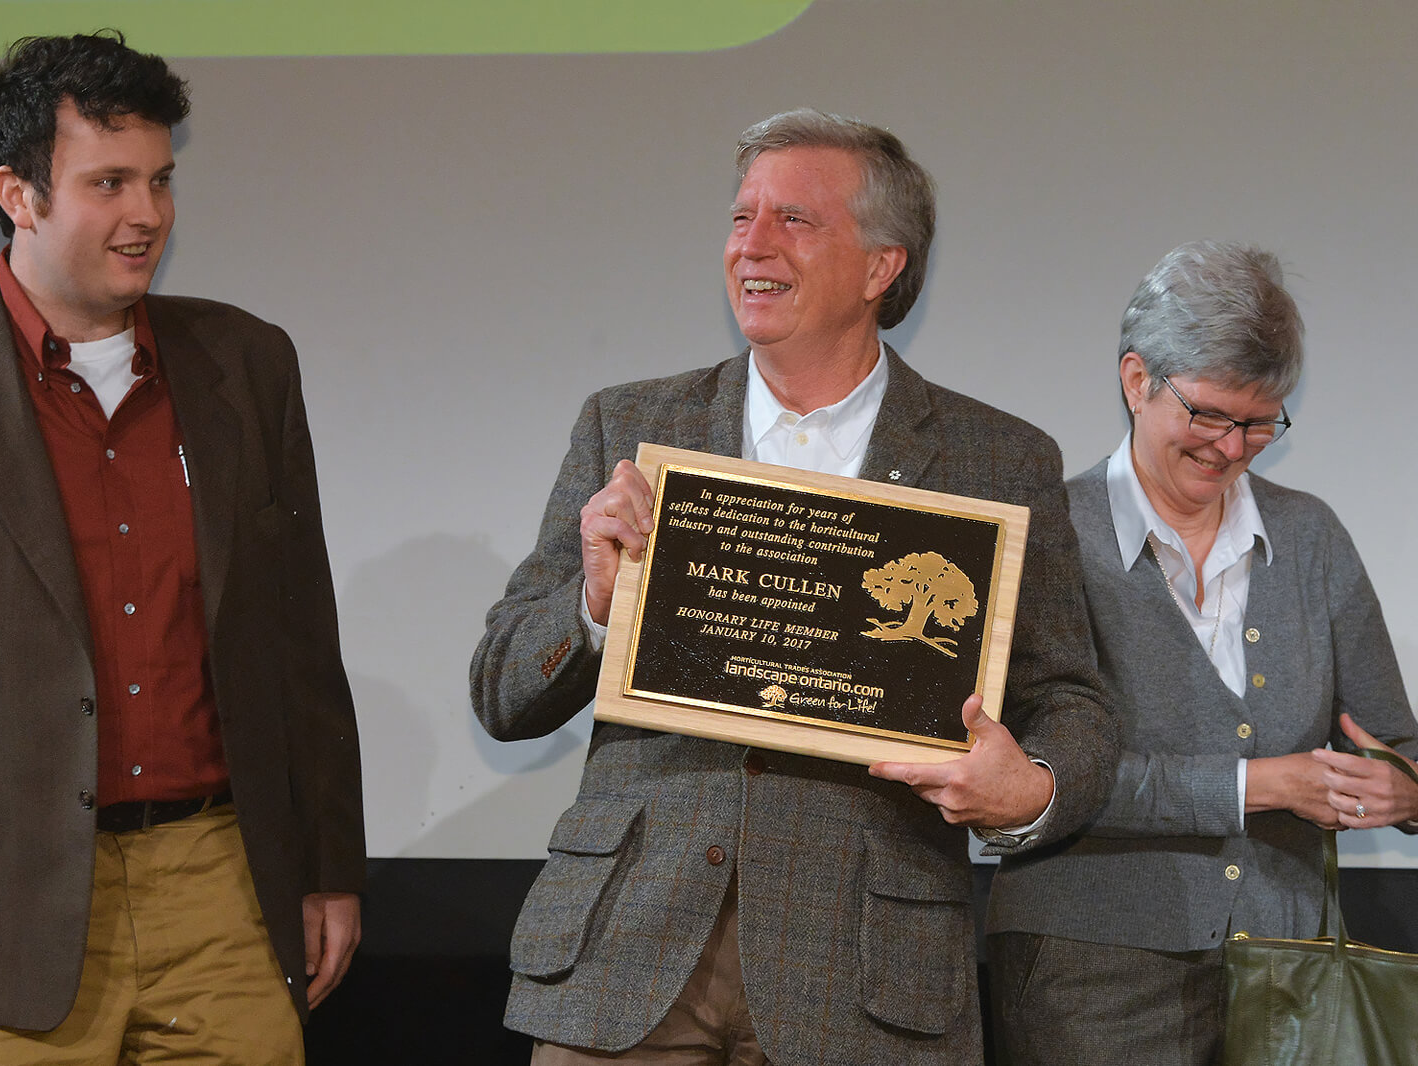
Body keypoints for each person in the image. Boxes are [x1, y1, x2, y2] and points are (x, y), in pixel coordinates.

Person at [471, 108, 1116, 1065]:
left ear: (881, 266)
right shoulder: (631, 426)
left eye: (794, 221)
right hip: (628, 961)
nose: (751, 247)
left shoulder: (998, 458)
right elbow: (501, 690)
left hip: (862, 976)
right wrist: (596, 607)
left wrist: (1029, 788)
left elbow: (1072, 700)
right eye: (740, 219)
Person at [0, 31, 365, 1064]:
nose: (148, 213)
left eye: (159, 180)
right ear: (19, 193)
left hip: (220, 881)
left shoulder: (247, 363)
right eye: (108, 181)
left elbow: (297, 635)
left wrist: (331, 862)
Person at [986, 241, 1418, 1066]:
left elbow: (1396, 746)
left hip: (1290, 977)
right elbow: (1029, 779)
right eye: (1210, 416)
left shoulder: (1311, 536)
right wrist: (1258, 785)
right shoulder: (1047, 535)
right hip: (1088, 976)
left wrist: (1398, 792)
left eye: (1260, 422)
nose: (1231, 446)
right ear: (1136, 380)